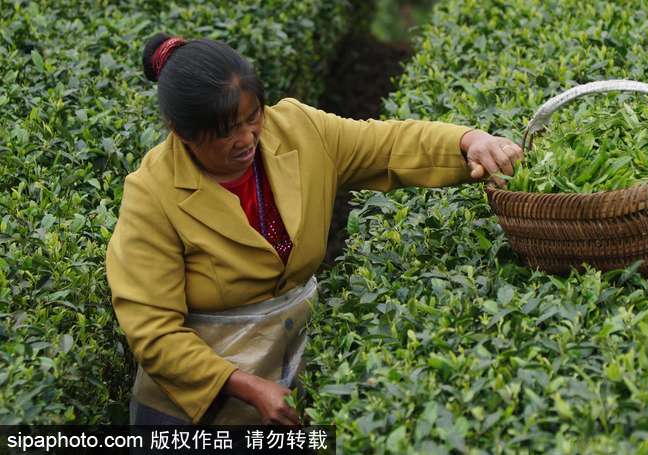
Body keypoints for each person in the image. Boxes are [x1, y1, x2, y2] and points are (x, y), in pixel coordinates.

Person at [106, 34, 524, 425]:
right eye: (225, 132)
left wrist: (468, 142)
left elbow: (386, 145)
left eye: (253, 117)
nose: (247, 138)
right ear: (182, 132)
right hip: (192, 412)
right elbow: (154, 331)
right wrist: (247, 387)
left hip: (289, 373)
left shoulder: (298, 129)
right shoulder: (152, 194)